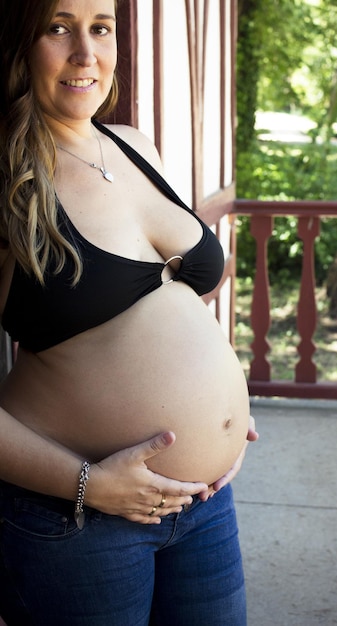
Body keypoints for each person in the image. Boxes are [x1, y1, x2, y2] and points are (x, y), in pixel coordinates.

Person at [0, 1, 258, 625]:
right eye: (59, 28)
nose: (86, 53)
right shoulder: (9, 175)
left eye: (102, 28)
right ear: (20, 43)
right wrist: (88, 483)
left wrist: (221, 412)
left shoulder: (134, 146)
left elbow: (166, 301)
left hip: (206, 503)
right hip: (80, 519)